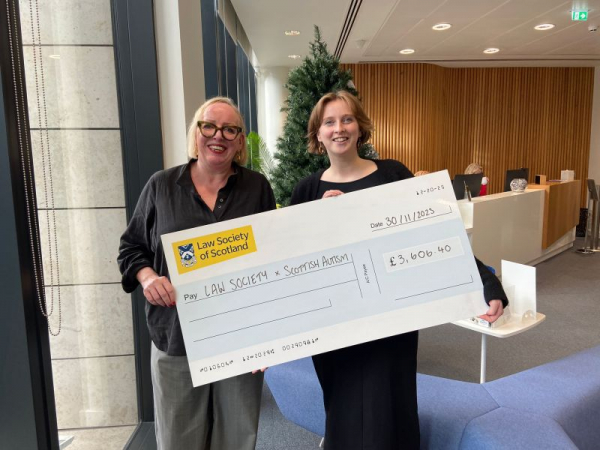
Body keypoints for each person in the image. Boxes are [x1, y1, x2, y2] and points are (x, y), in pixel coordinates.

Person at [290, 91, 507, 450]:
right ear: (318, 134)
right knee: (341, 407)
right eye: (329, 122)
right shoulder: (307, 191)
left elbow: (435, 236)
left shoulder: (392, 174)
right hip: (337, 326)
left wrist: (486, 282)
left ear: (360, 128)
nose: (339, 128)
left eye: (347, 119)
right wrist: (318, 223)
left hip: (391, 320)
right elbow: (294, 265)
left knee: (389, 408)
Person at [118, 97, 276, 450]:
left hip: (239, 337)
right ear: (196, 133)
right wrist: (148, 278)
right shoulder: (161, 185)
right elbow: (130, 248)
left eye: (230, 129)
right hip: (176, 338)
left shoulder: (257, 188)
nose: (218, 135)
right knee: (178, 440)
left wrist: (269, 333)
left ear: (239, 141)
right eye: (209, 126)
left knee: (236, 437)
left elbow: (272, 261)